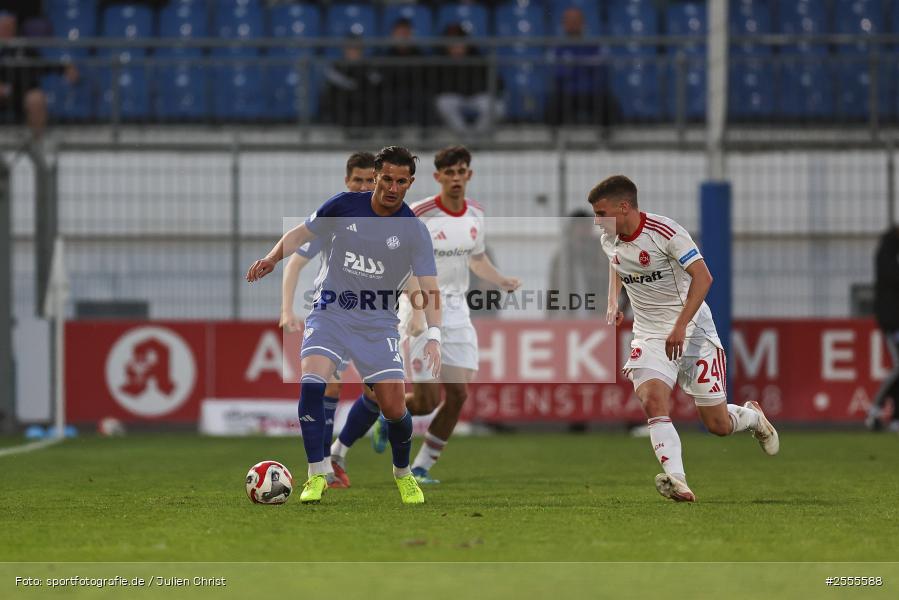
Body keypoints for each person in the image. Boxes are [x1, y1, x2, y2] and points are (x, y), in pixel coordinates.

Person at [247, 146, 442, 505]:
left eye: (401, 181)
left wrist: (432, 333)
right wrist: (273, 257)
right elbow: (300, 234)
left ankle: (403, 474)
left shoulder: (413, 230)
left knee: (395, 409)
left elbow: (428, 287)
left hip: (378, 323)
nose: (392, 187)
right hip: (331, 313)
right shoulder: (343, 205)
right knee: (311, 384)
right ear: (377, 176)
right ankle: (316, 473)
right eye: (386, 178)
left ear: (410, 183)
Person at [332, 145, 520, 485]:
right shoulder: (418, 213)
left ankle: (421, 466)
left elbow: (475, 259)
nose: (456, 178)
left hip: (457, 309)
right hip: (421, 304)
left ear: (469, 175)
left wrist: (501, 279)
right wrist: (416, 309)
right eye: (449, 172)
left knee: (460, 393)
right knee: (426, 400)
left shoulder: (475, 213)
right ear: (438, 177)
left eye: (462, 171)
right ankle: (382, 414)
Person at [591, 175, 779, 503]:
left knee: (718, 425)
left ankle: (750, 416)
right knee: (653, 400)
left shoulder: (666, 232)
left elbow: (704, 277)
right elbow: (617, 264)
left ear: (624, 207)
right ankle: (678, 481)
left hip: (692, 331)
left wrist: (680, 326)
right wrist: (613, 301)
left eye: (601, 212)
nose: (597, 220)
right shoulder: (609, 236)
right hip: (649, 334)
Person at [279, 152, 377, 488]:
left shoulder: (390, 220)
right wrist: (286, 309)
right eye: (358, 180)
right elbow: (293, 263)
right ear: (347, 181)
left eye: (370, 181)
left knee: (379, 395)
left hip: (375, 318)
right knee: (328, 384)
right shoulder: (333, 218)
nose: (364, 187)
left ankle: (338, 453)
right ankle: (322, 469)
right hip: (334, 314)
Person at [0, 13, 78, 138]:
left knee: (36, 98)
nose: (7, 30)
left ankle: (37, 142)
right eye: (3, 27)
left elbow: (43, 65)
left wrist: (64, 68)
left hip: (22, 92)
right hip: (2, 92)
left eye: (10, 26)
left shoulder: (24, 48)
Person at [545, 7, 618, 129]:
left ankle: (606, 142)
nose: (573, 24)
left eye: (576, 20)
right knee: (552, 106)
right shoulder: (557, 47)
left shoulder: (594, 45)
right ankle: (555, 142)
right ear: (564, 24)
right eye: (569, 21)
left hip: (592, 92)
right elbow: (558, 72)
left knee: (610, 104)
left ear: (582, 23)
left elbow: (601, 68)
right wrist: (583, 66)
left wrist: (572, 67)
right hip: (567, 93)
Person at [433, 24, 504, 137]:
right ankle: (465, 136)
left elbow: (497, 83)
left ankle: (476, 136)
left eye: (459, 41)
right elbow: (436, 87)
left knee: (496, 107)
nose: (456, 46)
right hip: (455, 98)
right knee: (443, 103)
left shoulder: (478, 58)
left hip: (476, 97)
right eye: (452, 42)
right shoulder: (440, 60)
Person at [866, 225, 899, 432]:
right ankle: (876, 408)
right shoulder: (887, 251)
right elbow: (892, 278)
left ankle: (894, 417)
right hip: (893, 321)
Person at [547, 208, 605, 319]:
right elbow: (553, 290)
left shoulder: (602, 254)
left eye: (587, 227)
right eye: (580, 227)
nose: (584, 231)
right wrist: (550, 317)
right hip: (570, 315)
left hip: (598, 314)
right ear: (572, 230)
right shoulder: (561, 258)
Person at [321, 35, 382, 128]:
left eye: (356, 48)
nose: (353, 52)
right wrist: (351, 84)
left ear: (362, 50)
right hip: (344, 107)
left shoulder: (368, 66)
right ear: (344, 50)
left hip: (363, 106)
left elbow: (377, 80)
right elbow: (333, 78)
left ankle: (368, 126)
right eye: (350, 48)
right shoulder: (337, 66)